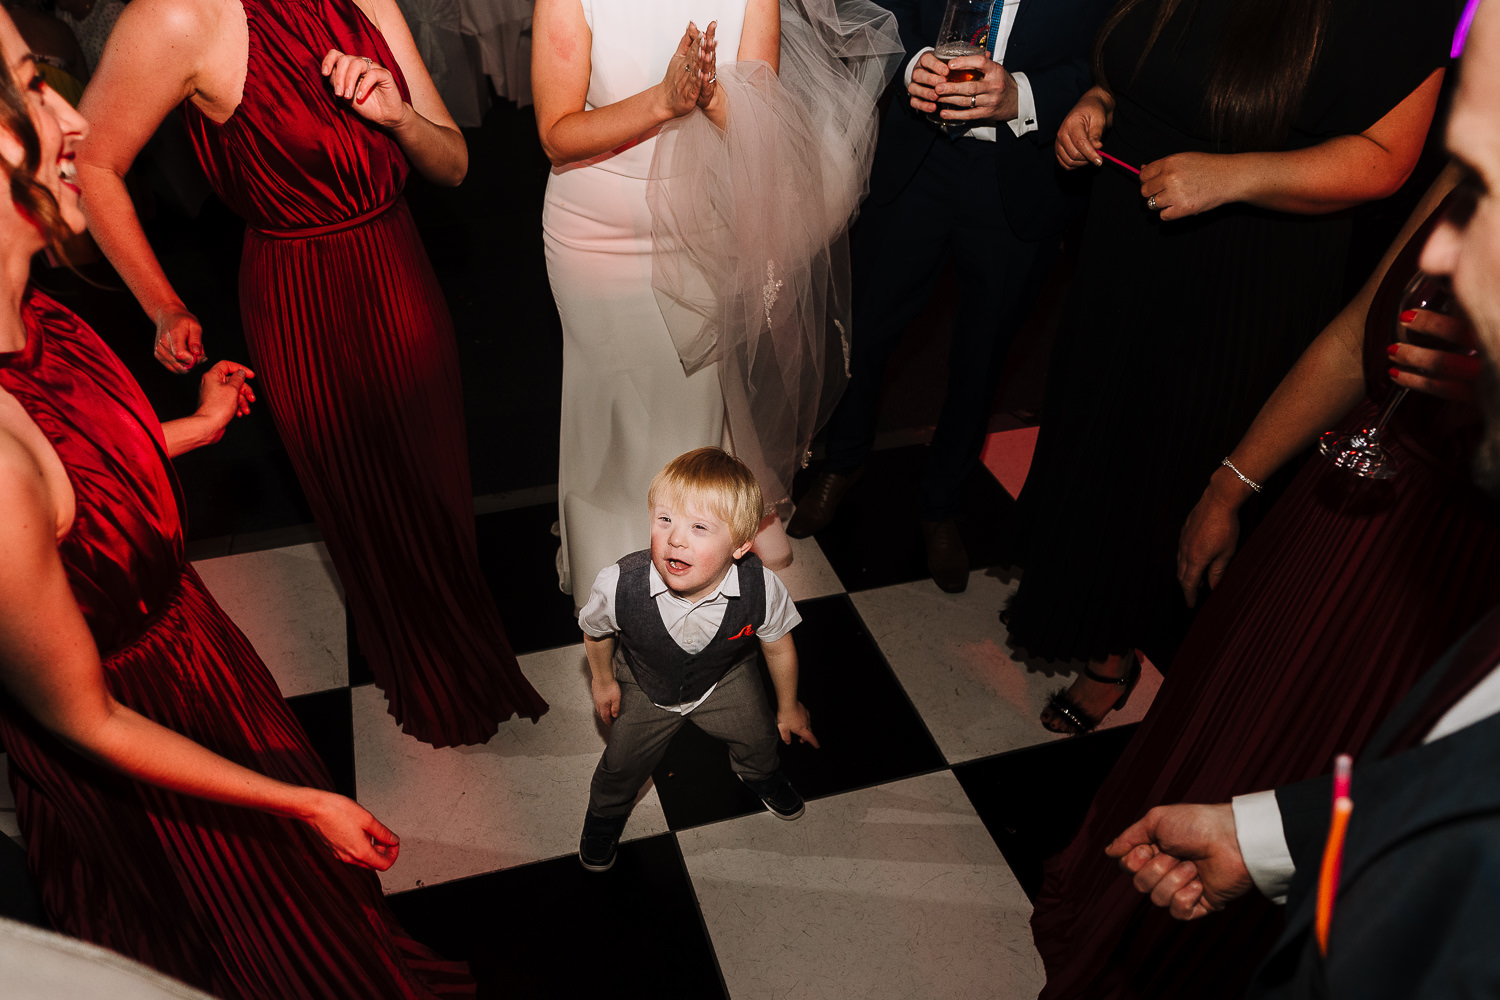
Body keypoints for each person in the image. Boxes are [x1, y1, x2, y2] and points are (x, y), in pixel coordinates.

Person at [0, 17, 473, 996]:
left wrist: (191, 429)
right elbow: (79, 712)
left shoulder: (41, 317)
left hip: (201, 669)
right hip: (143, 739)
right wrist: (300, 807)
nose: (71, 121)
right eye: (26, 93)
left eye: (37, 77)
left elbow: (72, 475)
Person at [1029, 164, 1500, 999]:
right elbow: (1360, 331)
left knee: (1331, 759)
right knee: (1224, 723)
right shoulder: (1480, 160)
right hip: (1334, 509)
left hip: (1450, 567)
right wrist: (1231, 483)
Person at [73, 0, 547, 747]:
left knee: (438, 491)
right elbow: (92, 161)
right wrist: (163, 307)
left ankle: (463, 651)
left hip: (400, 270)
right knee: (370, 508)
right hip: (303, 300)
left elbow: (452, 164)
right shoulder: (176, 18)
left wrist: (400, 119)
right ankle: (430, 678)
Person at [1001, 0, 1451, 735]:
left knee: (1181, 472)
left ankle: (1185, 689)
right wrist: (1099, 101)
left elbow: (1385, 160)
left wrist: (1235, 176)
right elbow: (1145, 59)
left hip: (1246, 269)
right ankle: (1106, 645)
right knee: (1104, 444)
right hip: (1127, 242)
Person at [534, 0, 900, 608]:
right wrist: (662, 100)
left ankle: (695, 552)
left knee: (692, 404)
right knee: (610, 403)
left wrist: (709, 98)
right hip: (595, 227)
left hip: (700, 225)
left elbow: (766, 132)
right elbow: (556, 135)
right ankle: (613, 571)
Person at [785, 0, 1112, 593]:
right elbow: (889, 14)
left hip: (1020, 173)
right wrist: (913, 67)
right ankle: (843, 461)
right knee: (869, 326)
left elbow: (1114, 58)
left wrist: (1026, 96)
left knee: (983, 354)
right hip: (919, 158)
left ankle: (941, 504)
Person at [574, 448, 818, 871]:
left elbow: (778, 646)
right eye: (664, 519)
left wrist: (788, 705)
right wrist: (603, 681)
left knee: (758, 736)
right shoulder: (619, 583)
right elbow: (595, 632)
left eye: (700, 527)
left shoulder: (762, 588)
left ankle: (757, 772)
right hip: (646, 684)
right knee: (622, 762)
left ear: (741, 545)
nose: (676, 538)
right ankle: (606, 813)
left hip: (723, 678)